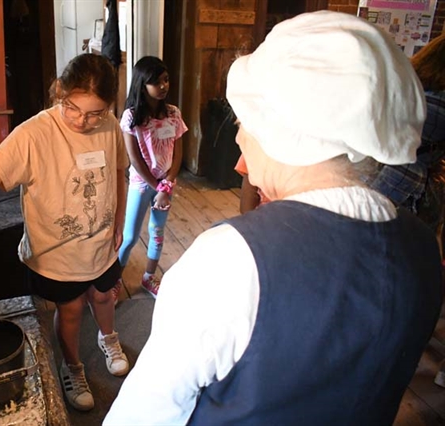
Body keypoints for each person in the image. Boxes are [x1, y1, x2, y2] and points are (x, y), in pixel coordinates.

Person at [104, 11, 443, 425]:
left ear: (284, 131)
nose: (239, 140)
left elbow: (142, 415)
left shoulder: (229, 260)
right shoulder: (423, 247)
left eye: (244, 122)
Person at [0, 53, 131, 412]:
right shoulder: (34, 134)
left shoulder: (109, 125)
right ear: (59, 91)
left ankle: (109, 338)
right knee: (70, 309)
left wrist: (119, 219)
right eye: (72, 107)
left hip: (102, 245)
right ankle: (72, 366)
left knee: (105, 296)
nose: (83, 121)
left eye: (95, 113)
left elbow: (118, 171)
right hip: (56, 255)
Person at [370, 33, 445, 388]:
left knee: (378, 255)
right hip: (415, 184)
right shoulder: (439, 102)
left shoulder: (413, 85)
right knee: (411, 265)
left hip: (385, 174)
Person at [115, 56, 187, 299]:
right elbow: (134, 159)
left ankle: (148, 278)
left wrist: (166, 186)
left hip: (165, 185)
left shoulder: (173, 114)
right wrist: (157, 186)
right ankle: (114, 283)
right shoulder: (131, 117)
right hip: (142, 184)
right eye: (156, 82)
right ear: (142, 85)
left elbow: (178, 152)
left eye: (166, 80)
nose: (163, 86)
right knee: (129, 237)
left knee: (157, 231)